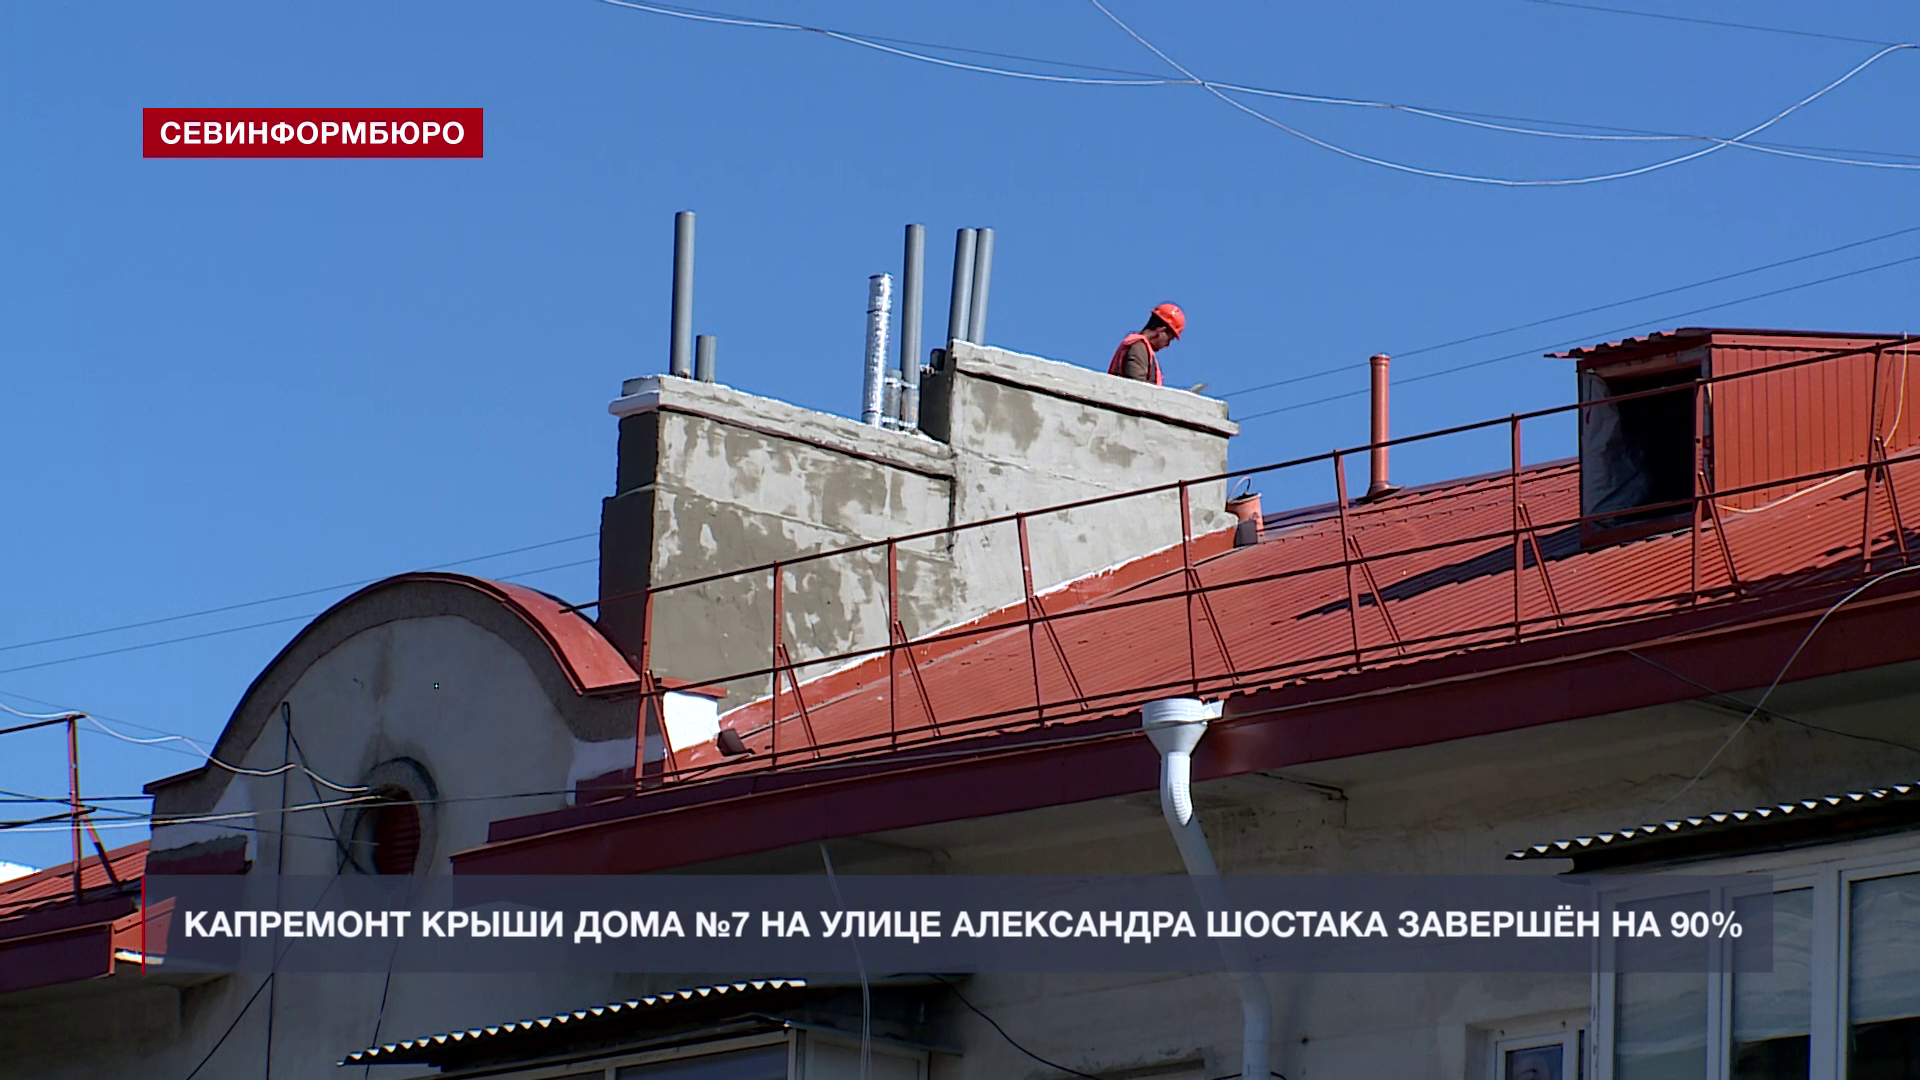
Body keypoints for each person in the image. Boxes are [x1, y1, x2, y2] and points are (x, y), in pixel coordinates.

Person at [1107, 303, 1186, 386]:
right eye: (1169, 339)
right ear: (1161, 331)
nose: (1167, 345)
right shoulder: (1138, 347)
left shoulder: (1139, 346)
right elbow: (1137, 387)